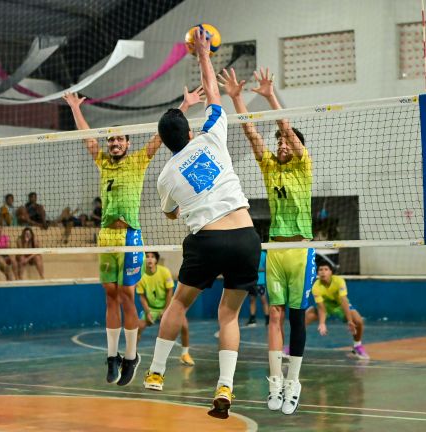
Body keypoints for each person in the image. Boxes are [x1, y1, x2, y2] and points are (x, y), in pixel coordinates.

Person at [142, 27, 261, 420]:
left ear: (165, 141)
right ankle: (224, 387)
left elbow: (171, 213)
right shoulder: (212, 137)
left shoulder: (165, 175)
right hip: (245, 235)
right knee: (229, 315)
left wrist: (182, 207)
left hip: (207, 239)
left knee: (179, 302)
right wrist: (204, 54)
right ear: (190, 131)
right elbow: (213, 93)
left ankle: (157, 372)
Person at [63, 78, 204, 387]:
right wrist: (75, 108)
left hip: (130, 237)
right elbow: (87, 137)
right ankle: (112, 356)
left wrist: (185, 106)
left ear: (127, 144)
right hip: (106, 237)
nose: (114, 144)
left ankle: (131, 355)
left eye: (119, 141)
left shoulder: (139, 161)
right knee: (110, 295)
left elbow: (162, 135)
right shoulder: (102, 162)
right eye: (111, 141)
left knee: (127, 295)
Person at [220, 66, 314, 415]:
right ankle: (275, 382)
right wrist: (235, 97)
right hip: (274, 248)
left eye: (287, 141)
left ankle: (294, 382)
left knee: (296, 317)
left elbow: (284, 128)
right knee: (273, 315)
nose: (281, 143)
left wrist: (271, 96)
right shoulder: (270, 166)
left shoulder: (303, 166)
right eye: (279, 143)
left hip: (301, 249)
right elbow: (250, 131)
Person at [137, 252, 194, 366]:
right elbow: (142, 297)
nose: (149, 259)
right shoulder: (140, 275)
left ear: (156, 260)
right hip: (152, 308)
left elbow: (169, 292)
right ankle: (131, 356)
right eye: (147, 256)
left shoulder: (164, 272)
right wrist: (148, 313)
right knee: (138, 327)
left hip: (169, 306)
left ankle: (185, 354)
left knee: (184, 325)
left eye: (152, 257)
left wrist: (166, 309)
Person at [307, 261, 369, 360]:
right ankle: (294, 347)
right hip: (327, 307)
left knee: (358, 321)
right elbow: (321, 307)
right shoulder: (316, 287)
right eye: (320, 270)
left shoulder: (339, 281)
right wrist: (322, 323)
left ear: (331, 272)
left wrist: (349, 321)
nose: (323, 272)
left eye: (326, 269)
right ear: (317, 273)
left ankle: (357, 346)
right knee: (306, 317)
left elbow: (344, 301)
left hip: (340, 305)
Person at [246, 249, 270, 327]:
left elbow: (267, 267)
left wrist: (258, 270)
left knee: (263, 300)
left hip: (260, 281)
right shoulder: (250, 252)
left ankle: (267, 319)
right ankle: (252, 319)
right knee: (252, 300)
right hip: (253, 281)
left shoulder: (264, 254)